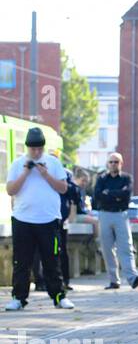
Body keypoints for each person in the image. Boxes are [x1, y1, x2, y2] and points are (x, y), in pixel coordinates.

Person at [5, 128, 74, 311]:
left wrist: (45, 175)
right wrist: (25, 173)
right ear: (27, 148)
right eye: (33, 149)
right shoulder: (18, 163)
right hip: (22, 220)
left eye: (39, 149)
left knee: (52, 260)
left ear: (43, 147)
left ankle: (59, 297)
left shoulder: (53, 162)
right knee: (21, 262)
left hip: (48, 220)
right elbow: (11, 190)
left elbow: (63, 188)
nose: (36, 152)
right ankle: (18, 298)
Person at [91, 153, 138, 290]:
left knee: (126, 248)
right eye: (110, 162)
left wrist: (109, 193)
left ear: (121, 163)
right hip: (104, 214)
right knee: (107, 249)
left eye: (116, 162)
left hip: (121, 215)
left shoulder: (127, 178)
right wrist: (116, 195)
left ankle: (133, 278)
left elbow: (126, 194)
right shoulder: (101, 179)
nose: (113, 164)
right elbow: (98, 196)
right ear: (107, 164)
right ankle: (114, 281)